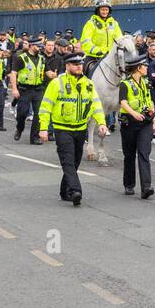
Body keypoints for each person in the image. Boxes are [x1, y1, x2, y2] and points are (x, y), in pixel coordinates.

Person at [39, 54, 109, 206]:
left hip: (80, 129)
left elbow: (96, 105)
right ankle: (76, 191)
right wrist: (43, 128)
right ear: (67, 66)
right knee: (68, 161)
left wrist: (102, 123)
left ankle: (65, 192)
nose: (79, 66)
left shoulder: (88, 84)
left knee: (75, 162)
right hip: (62, 129)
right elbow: (45, 107)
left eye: (80, 63)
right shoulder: (57, 83)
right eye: (75, 63)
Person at [118, 54, 155, 198]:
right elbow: (122, 102)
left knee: (144, 153)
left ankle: (146, 187)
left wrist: (153, 121)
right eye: (145, 66)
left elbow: (150, 100)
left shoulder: (146, 82)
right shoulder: (125, 84)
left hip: (145, 122)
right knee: (129, 155)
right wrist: (133, 113)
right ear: (138, 68)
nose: (147, 68)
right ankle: (129, 185)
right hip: (130, 122)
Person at [11, 37, 47, 143]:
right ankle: (19, 128)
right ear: (31, 46)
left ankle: (34, 137)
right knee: (22, 113)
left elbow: (47, 71)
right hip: (24, 89)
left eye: (40, 46)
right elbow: (14, 74)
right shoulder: (21, 58)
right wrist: (14, 89)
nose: (39, 48)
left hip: (38, 89)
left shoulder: (42, 58)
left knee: (38, 114)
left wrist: (53, 75)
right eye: (37, 46)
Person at [79, 0, 123, 74]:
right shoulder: (91, 23)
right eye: (102, 10)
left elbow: (119, 39)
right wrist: (97, 51)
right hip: (94, 56)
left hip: (111, 56)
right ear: (98, 10)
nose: (105, 12)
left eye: (106, 10)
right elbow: (85, 41)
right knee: (83, 70)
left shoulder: (114, 23)